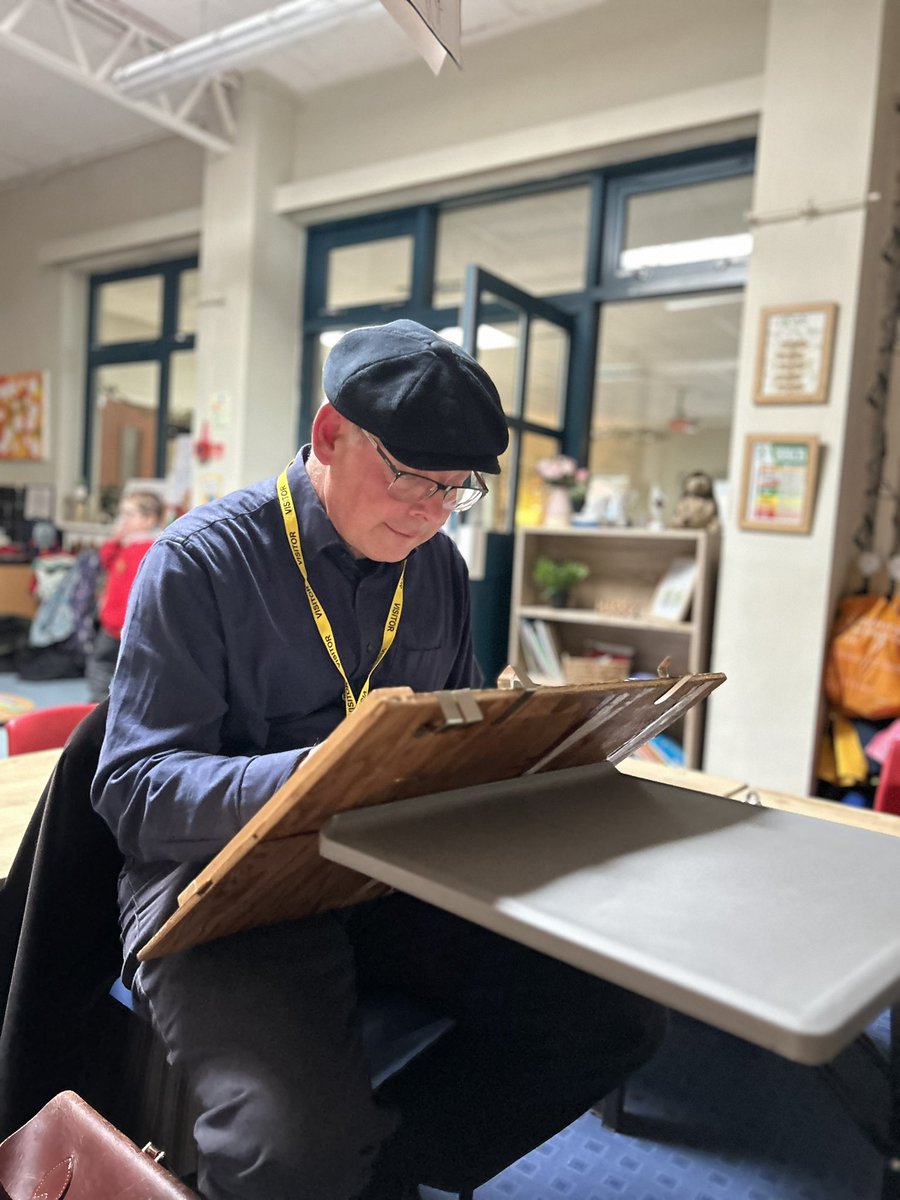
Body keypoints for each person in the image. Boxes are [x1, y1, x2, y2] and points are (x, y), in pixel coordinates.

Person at [91, 320, 666, 1200]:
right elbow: (134, 793)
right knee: (292, 1151)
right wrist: (324, 774)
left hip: (380, 873)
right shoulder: (199, 564)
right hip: (222, 893)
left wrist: (524, 753)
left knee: (613, 1016)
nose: (431, 513)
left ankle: (396, 1174)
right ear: (329, 434)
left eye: (456, 490)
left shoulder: (436, 570)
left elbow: (453, 736)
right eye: (410, 477)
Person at [85, 490, 164, 701]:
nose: (123, 520)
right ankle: (97, 706)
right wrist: (115, 538)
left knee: (134, 672)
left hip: (134, 627)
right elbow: (106, 560)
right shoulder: (124, 545)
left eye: (130, 515)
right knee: (100, 666)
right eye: (122, 514)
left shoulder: (152, 548)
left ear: (149, 519)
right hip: (109, 624)